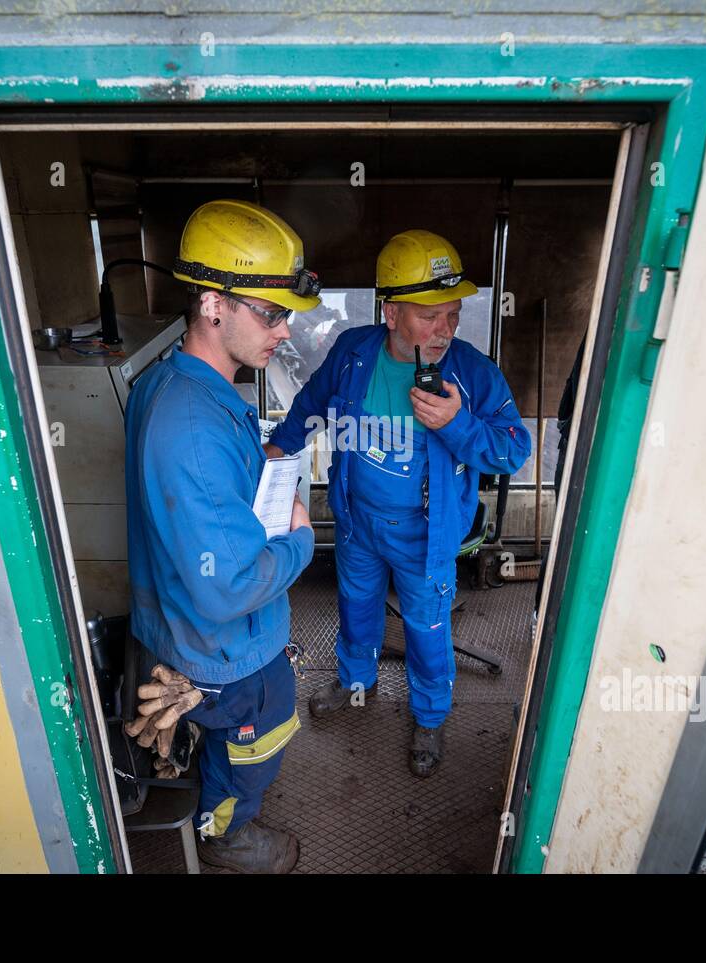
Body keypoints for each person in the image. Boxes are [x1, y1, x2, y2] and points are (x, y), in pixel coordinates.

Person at [266, 229, 530, 777]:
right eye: (429, 316)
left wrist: (458, 424)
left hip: (425, 534)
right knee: (355, 608)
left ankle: (430, 715)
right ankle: (356, 684)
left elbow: (512, 451)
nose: (446, 330)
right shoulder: (352, 353)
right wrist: (276, 451)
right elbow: (311, 406)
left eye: (453, 315)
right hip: (358, 522)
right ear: (390, 313)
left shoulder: (472, 375)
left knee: (426, 626)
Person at [125, 199, 320, 873]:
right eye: (271, 313)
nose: (286, 331)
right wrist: (302, 539)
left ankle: (224, 784)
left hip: (183, 630)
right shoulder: (191, 425)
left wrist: (254, 465)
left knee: (230, 738)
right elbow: (231, 585)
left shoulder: (180, 384)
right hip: (225, 651)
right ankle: (227, 831)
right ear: (214, 303)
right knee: (258, 737)